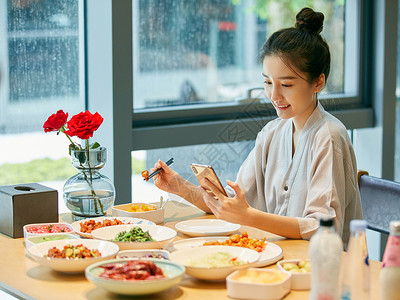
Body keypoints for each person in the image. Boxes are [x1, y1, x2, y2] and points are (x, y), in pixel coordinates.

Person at [151, 7, 362, 245]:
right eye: (268, 82)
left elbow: (322, 226)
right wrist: (178, 185)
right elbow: (232, 201)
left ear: (318, 82)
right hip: (278, 258)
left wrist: (249, 216)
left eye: (287, 85)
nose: (274, 95)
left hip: (320, 269)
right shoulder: (272, 133)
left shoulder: (329, 136)